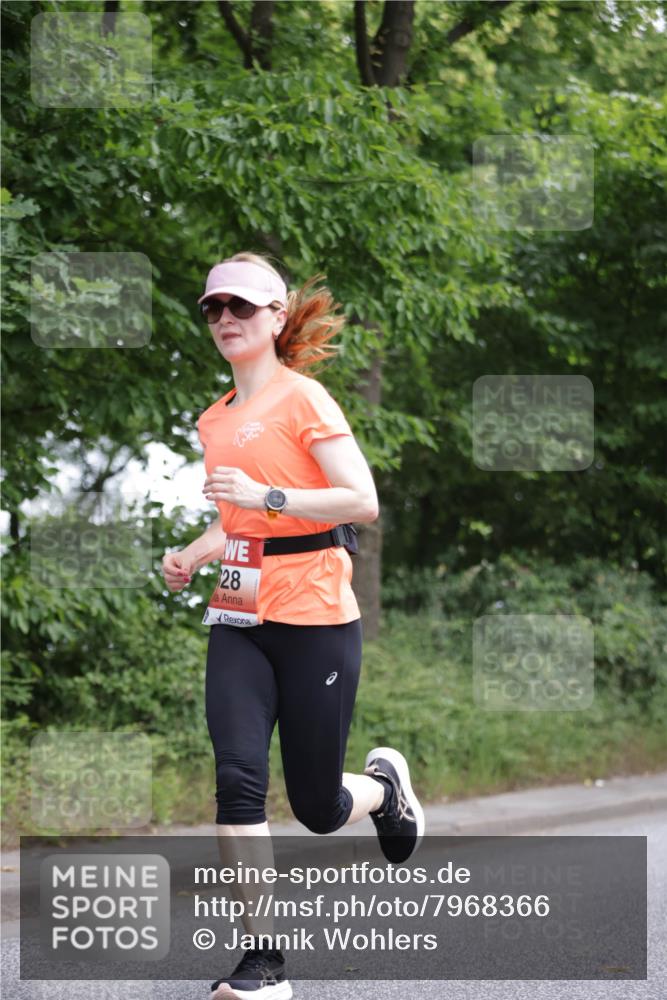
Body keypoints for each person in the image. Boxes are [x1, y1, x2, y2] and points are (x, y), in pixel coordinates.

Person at [161, 253, 425, 1000]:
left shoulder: (305, 400)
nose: (225, 320)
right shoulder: (215, 418)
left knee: (315, 808)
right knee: (237, 779)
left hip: (314, 617)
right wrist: (192, 552)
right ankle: (264, 963)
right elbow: (236, 518)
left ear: (277, 317)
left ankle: (384, 792)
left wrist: (265, 493)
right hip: (240, 615)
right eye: (214, 308)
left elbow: (359, 501)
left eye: (242, 306)